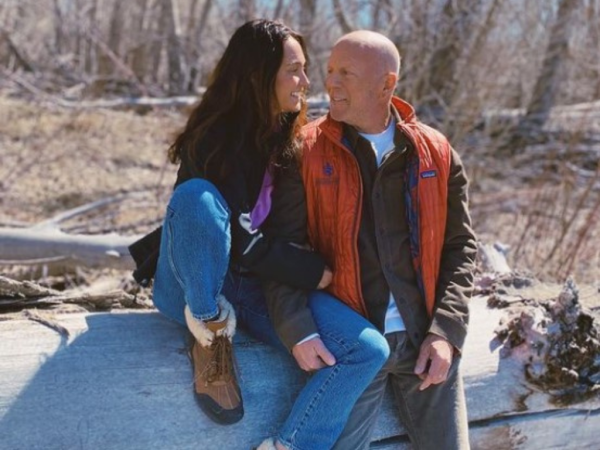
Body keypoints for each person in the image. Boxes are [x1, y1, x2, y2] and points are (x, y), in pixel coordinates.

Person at [129, 19, 389, 445]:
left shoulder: (290, 142)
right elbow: (235, 239)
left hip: (254, 289)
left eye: (306, 69)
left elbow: (276, 237)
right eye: (294, 70)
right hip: (193, 286)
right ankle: (211, 336)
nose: (306, 81)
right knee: (197, 198)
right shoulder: (212, 138)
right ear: (257, 75)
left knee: (367, 350)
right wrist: (308, 270)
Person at [263, 30, 478, 449]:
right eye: (328, 71)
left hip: (425, 344)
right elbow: (282, 250)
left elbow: (461, 248)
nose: (330, 83)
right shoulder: (304, 149)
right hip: (356, 347)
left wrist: (447, 332)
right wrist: (296, 328)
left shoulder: (436, 152)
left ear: (387, 84)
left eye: (347, 72)